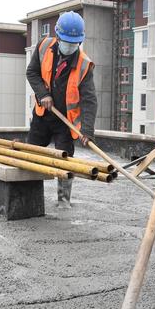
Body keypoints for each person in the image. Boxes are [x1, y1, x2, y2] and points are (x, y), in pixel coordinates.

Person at [26, 11, 98, 208]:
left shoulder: (84, 65)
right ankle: (27, 194)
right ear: (58, 37)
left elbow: (89, 100)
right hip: (42, 115)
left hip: (65, 122)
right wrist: (43, 94)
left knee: (65, 160)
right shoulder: (43, 47)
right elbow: (32, 72)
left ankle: (64, 201)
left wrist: (87, 130)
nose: (70, 46)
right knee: (31, 154)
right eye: (67, 41)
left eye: (74, 43)